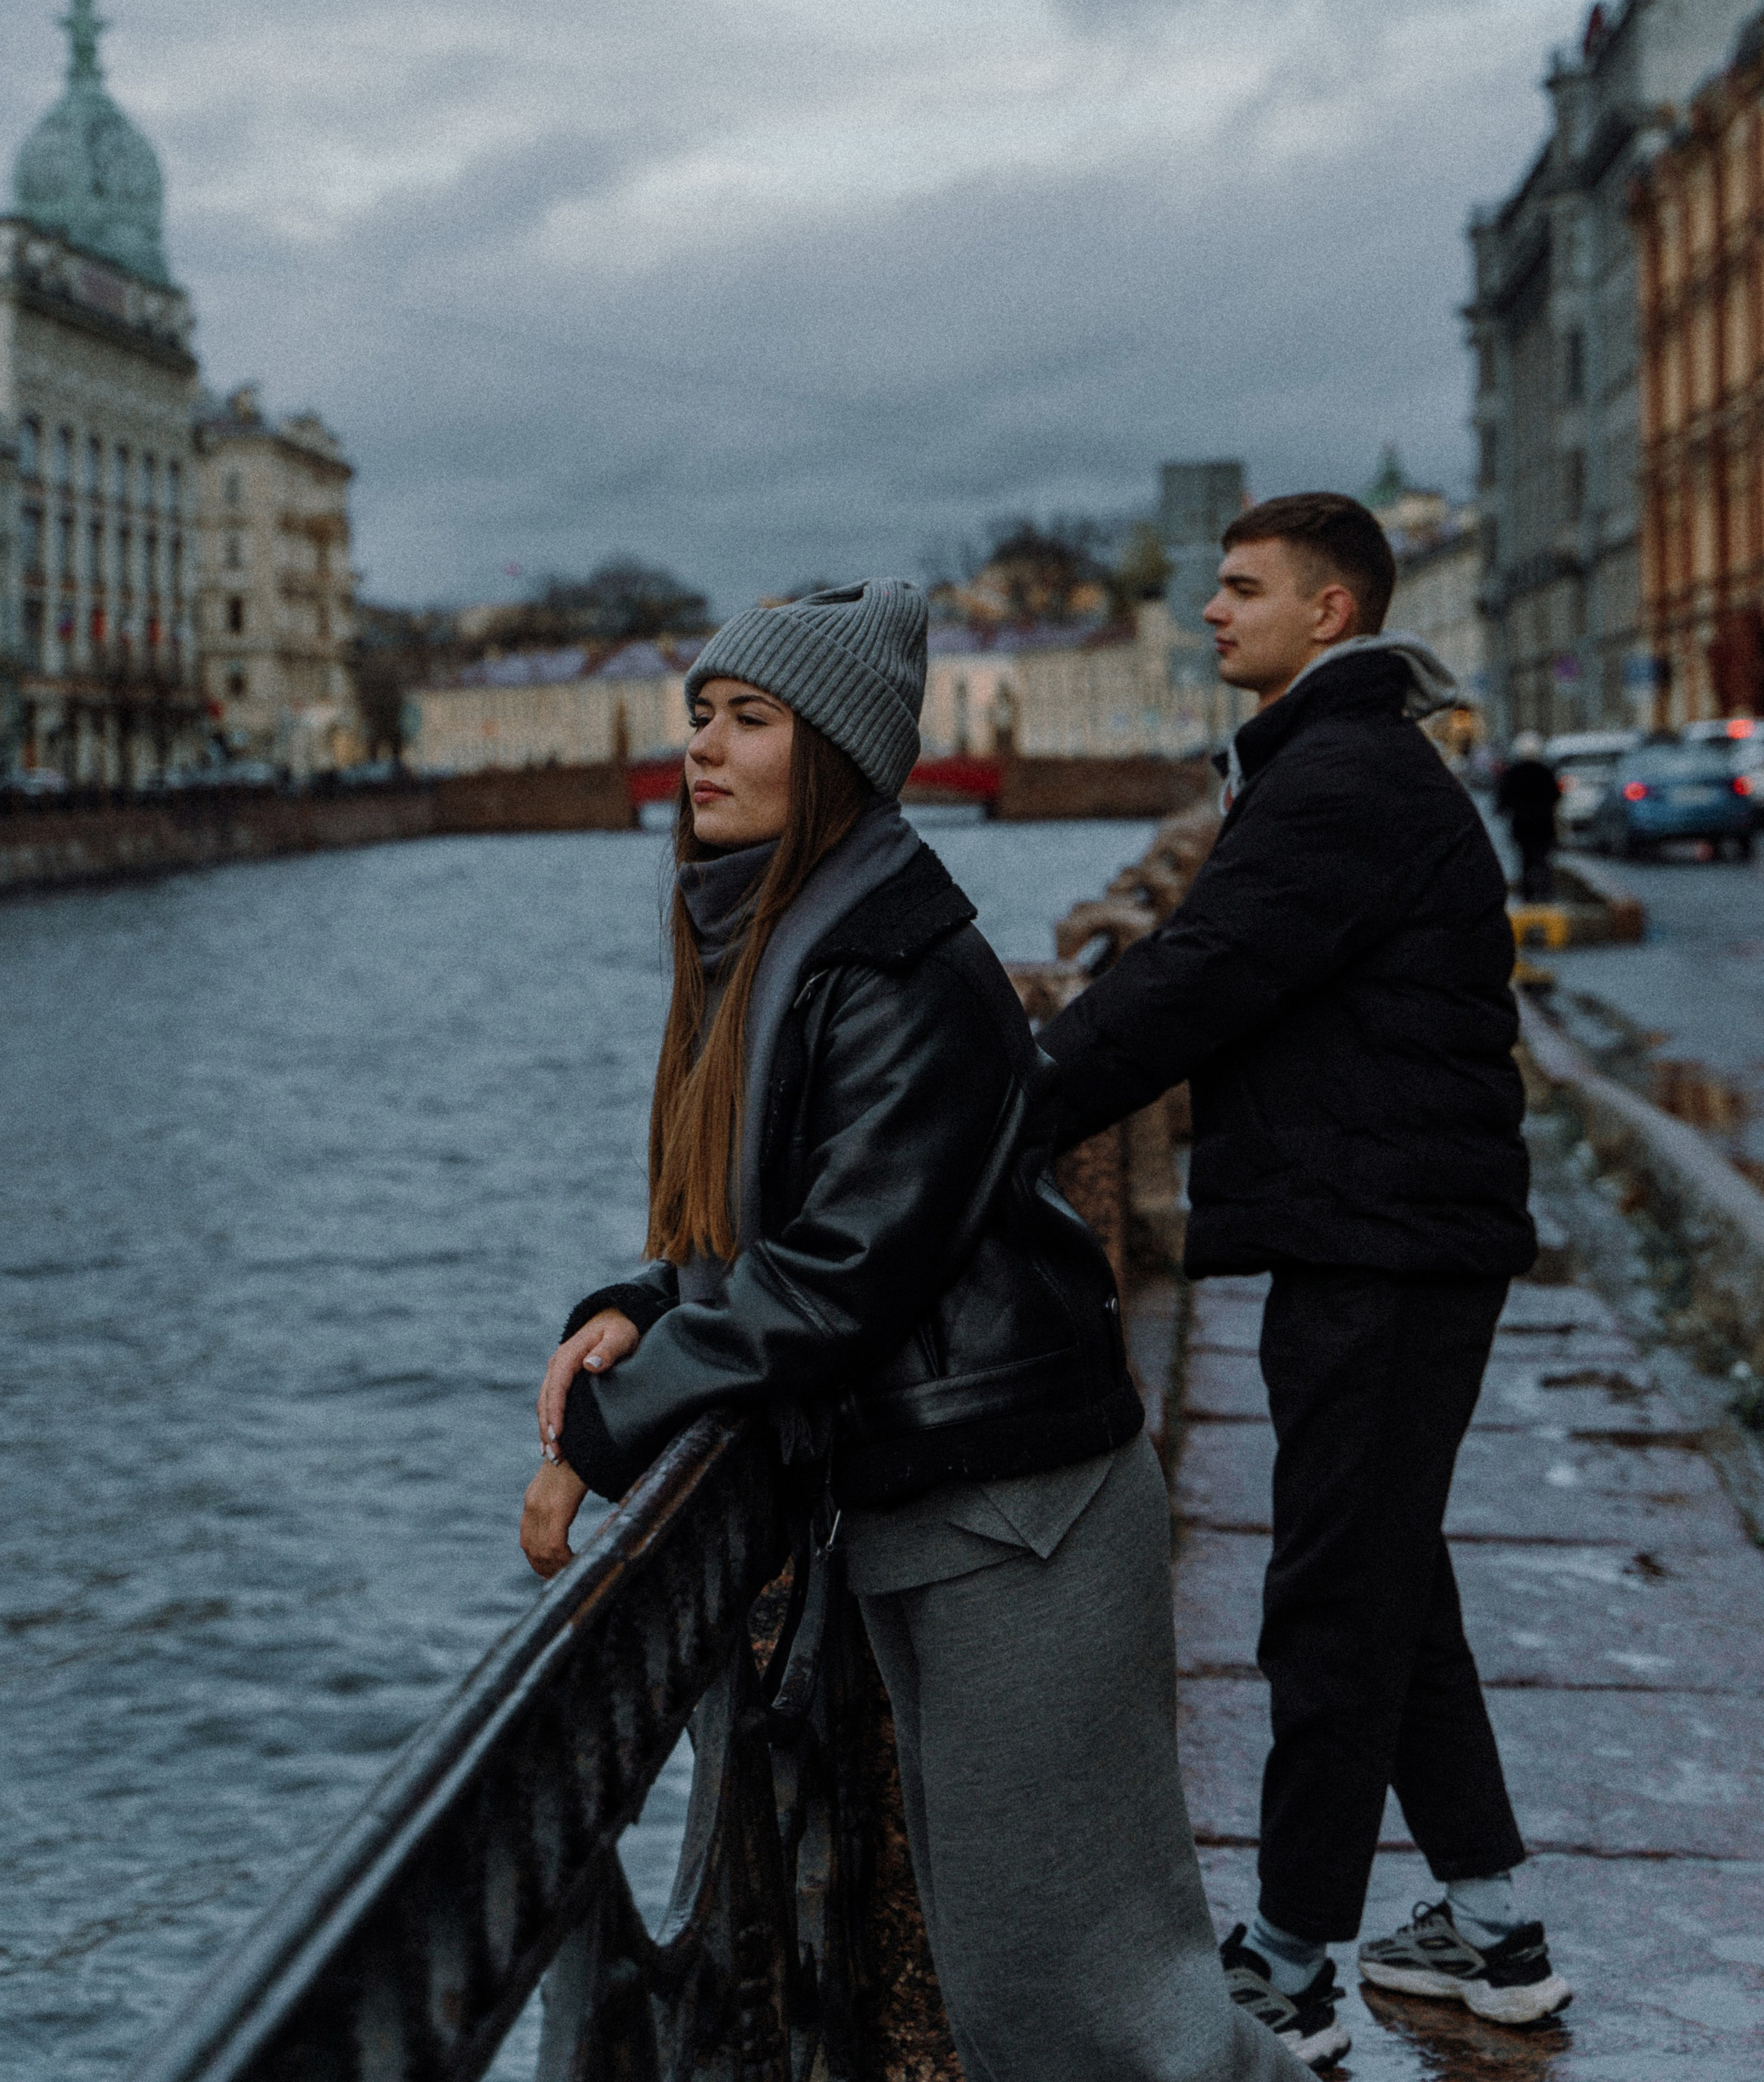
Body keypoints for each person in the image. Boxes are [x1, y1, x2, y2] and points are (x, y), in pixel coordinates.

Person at [521, 580, 1298, 2082]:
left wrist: (603, 1434)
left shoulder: (886, 959)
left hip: (1018, 1515)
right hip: (947, 1506)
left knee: (1101, 2012)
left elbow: (838, 1270)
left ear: (834, 757)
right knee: (1038, 2000)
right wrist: (639, 1308)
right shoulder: (791, 930)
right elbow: (778, 1228)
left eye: (749, 721)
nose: (702, 749)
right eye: (699, 714)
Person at [1036, 497, 1573, 2066]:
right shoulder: (1340, 767)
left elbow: (1195, 980)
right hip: (1384, 1229)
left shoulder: (1334, 779)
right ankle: (1492, 1929)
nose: (1209, 612)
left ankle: (1282, 1970)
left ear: (1328, 613)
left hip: (1384, 1242)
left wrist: (1003, 1098)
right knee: (1389, 1580)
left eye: (1238, 589)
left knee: (1332, 1597)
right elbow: (1209, 970)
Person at [1496, 734, 1561, 902]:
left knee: (1525, 860)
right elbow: (1555, 795)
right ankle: (1545, 891)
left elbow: (1503, 800)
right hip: (1543, 825)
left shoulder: (1513, 773)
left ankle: (1528, 893)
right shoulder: (1545, 772)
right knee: (1543, 859)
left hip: (1522, 825)